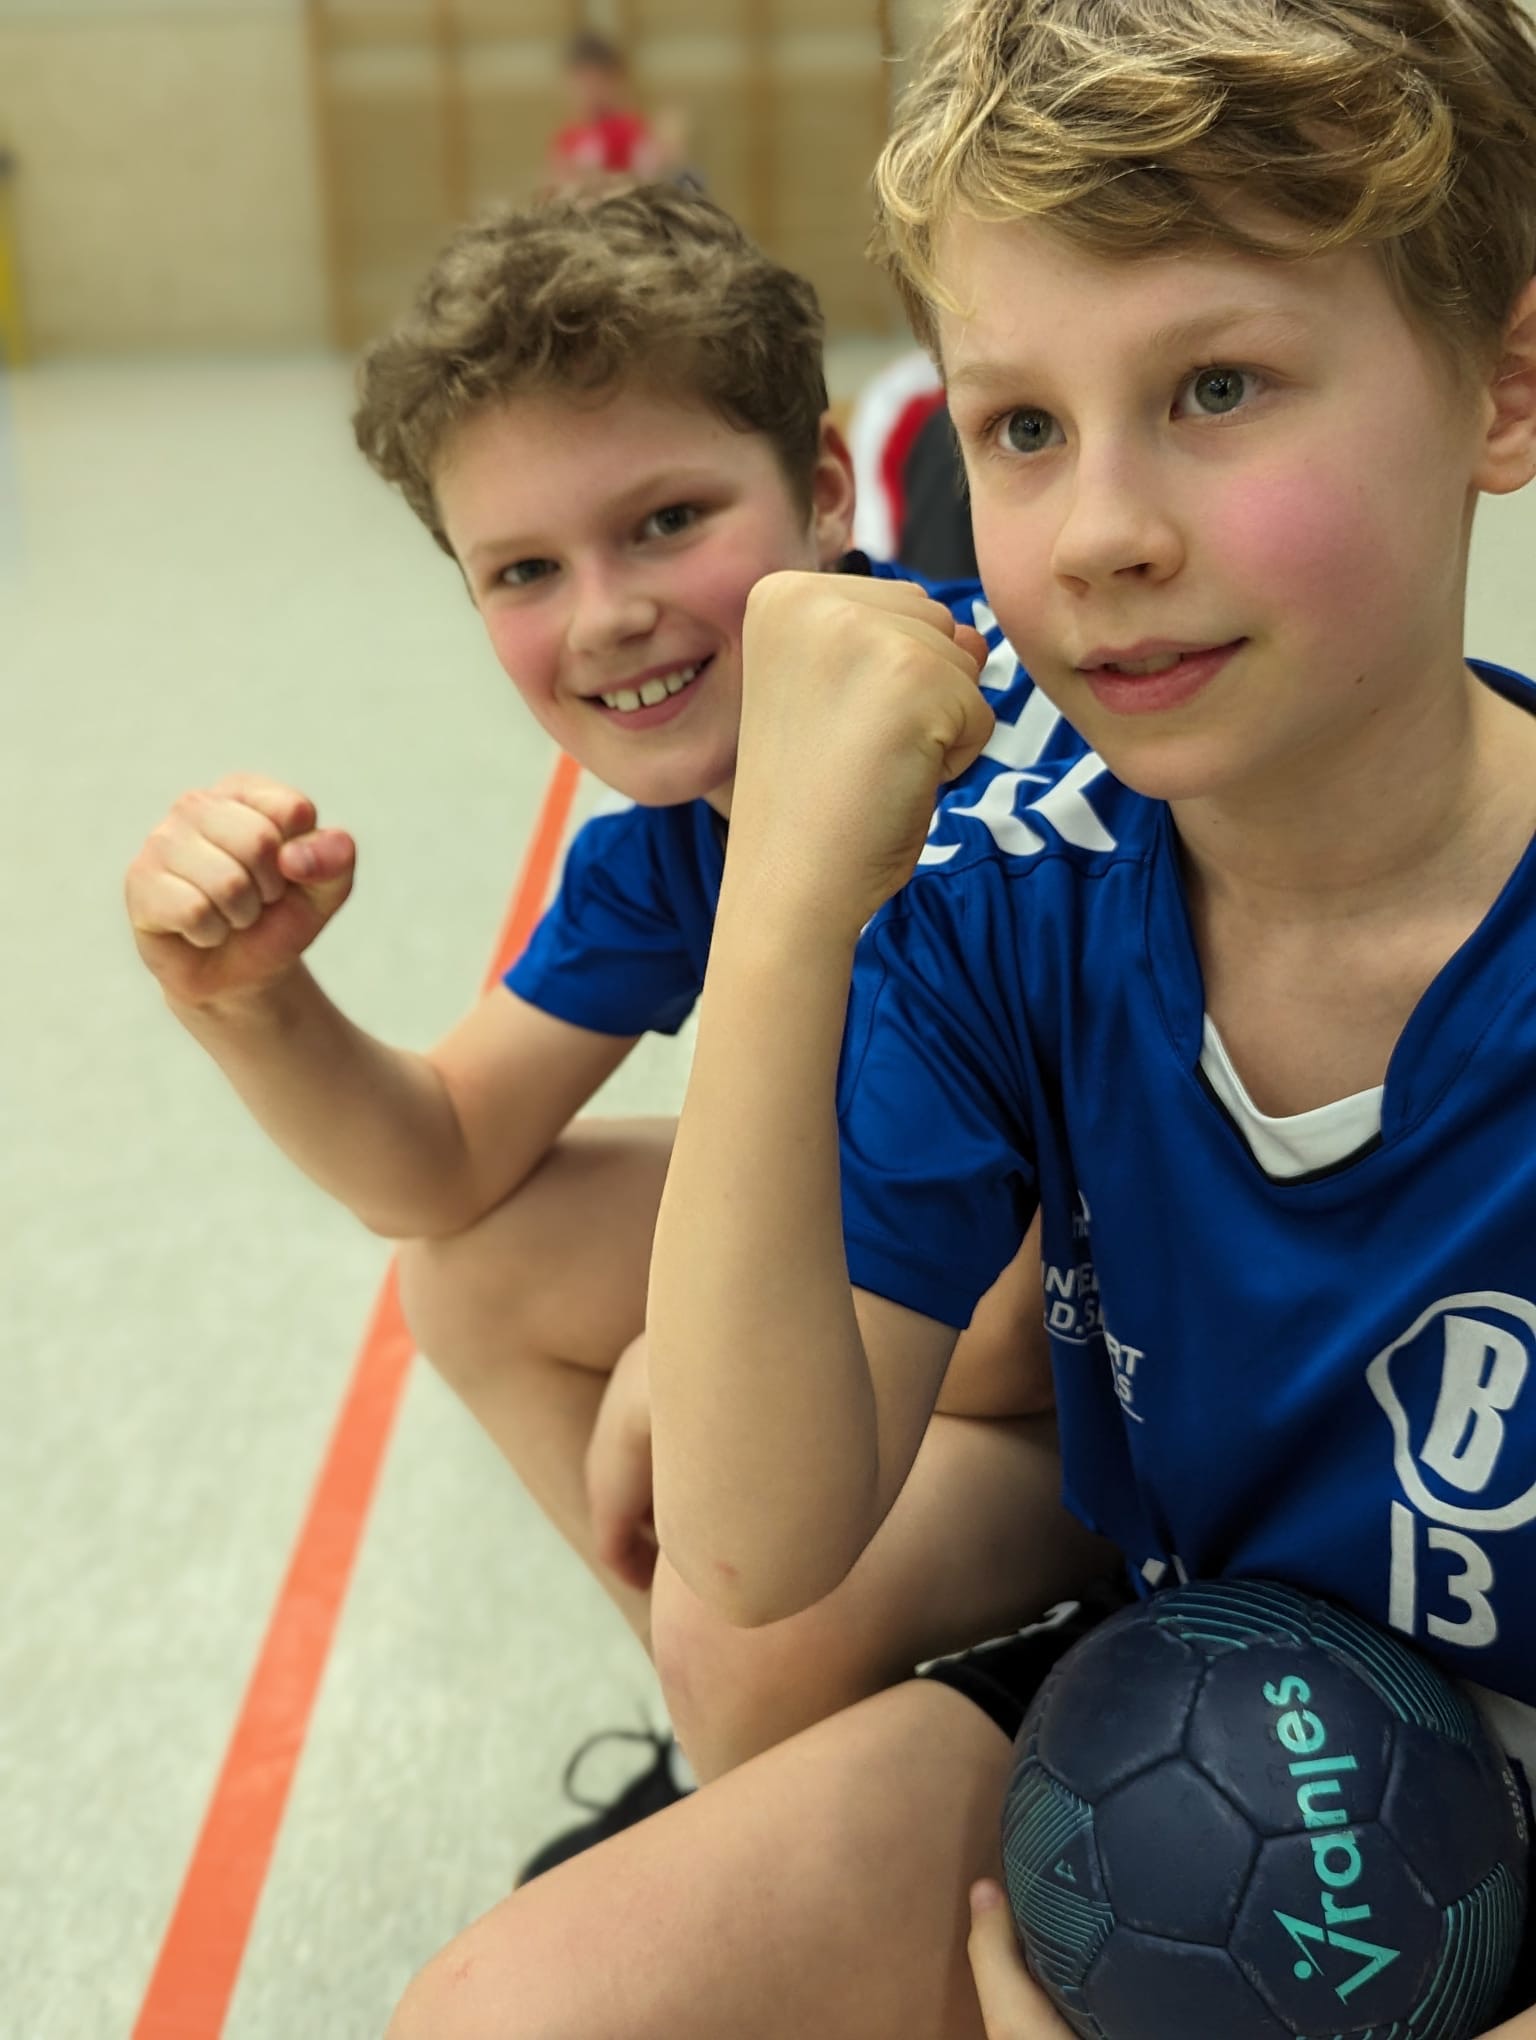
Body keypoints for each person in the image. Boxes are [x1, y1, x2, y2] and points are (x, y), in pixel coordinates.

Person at [382, 1, 1536, 2035]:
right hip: (1199, 1710)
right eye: (1022, 428)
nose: (1099, 534)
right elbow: (755, 1555)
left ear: (1503, 388)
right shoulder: (1016, 896)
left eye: (1217, 387)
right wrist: (786, 907)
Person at [122, 184, 1108, 1879]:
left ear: (819, 488)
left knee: (746, 1610)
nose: (604, 616)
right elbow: (442, 1159)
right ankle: (755, 1766)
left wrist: (691, 1363)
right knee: (478, 1272)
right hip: (940, 1326)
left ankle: (825, 1837)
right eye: (524, 569)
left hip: (1118, 1385)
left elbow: (1026, 1328)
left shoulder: (987, 763)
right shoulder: (674, 835)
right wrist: (251, 1000)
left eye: (664, 521)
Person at [545, 34, 669, 194]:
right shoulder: (567, 138)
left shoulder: (630, 131)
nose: (589, 92)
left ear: (613, 82)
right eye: (581, 83)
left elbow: (649, 179)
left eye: (596, 82)